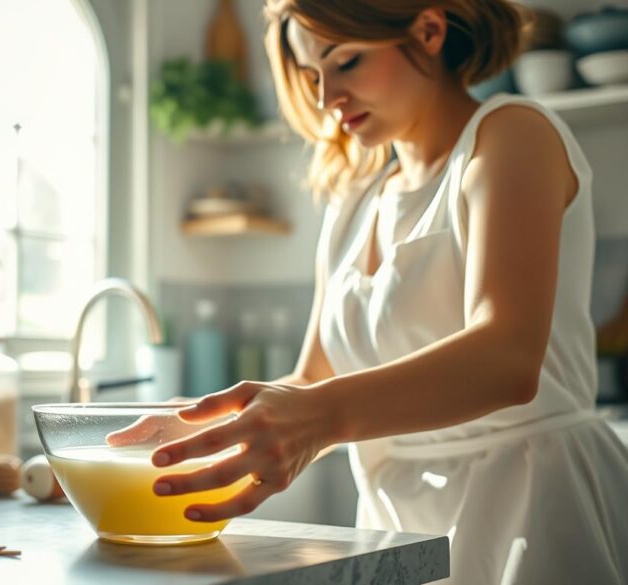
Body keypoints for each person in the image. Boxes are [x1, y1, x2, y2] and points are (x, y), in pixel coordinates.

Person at [122, 1, 628, 583]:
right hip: (397, 524)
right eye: (314, 76)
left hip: (534, 508)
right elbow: (313, 377)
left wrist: (318, 418)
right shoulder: (354, 199)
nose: (325, 98)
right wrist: (190, 429)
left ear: (430, 31)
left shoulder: (511, 134)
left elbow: (506, 359)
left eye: (347, 62)